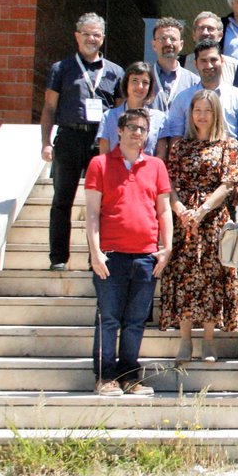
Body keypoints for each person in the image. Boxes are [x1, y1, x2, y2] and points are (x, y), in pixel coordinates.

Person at [83, 108, 172, 396]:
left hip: (146, 256)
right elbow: (92, 213)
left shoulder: (157, 166)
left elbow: (164, 210)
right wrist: (95, 252)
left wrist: (166, 248)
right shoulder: (100, 164)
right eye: (131, 127)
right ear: (119, 130)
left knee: (135, 321)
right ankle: (105, 377)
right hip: (110, 255)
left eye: (142, 129)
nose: (137, 133)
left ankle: (129, 376)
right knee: (109, 318)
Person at [160, 90, 238, 365]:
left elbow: (228, 183)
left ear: (215, 113)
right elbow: (168, 183)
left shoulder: (227, 145)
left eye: (207, 110)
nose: (201, 116)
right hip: (184, 220)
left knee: (211, 278)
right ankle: (185, 340)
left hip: (213, 219)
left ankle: (208, 340)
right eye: (197, 110)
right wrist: (181, 210)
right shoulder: (180, 146)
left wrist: (203, 209)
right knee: (184, 275)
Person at [41, 12, 125, 271]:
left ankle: (96, 257)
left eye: (96, 35)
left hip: (99, 141)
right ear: (77, 36)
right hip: (68, 137)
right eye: (86, 34)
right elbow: (49, 108)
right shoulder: (61, 68)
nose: (91, 38)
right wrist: (45, 142)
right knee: (62, 199)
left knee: (101, 202)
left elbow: (120, 113)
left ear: (103, 38)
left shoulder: (115, 72)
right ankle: (58, 258)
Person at [159, 40, 238, 156]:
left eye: (213, 60)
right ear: (196, 64)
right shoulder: (183, 98)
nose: (209, 65)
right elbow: (175, 138)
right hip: (190, 165)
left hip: (230, 164)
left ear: (222, 60)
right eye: (203, 61)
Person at [96, 62, 167, 156]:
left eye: (145, 82)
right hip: (114, 170)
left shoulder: (159, 118)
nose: (140, 86)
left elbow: (161, 155)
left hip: (147, 169)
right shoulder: (109, 116)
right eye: (135, 80)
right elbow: (103, 155)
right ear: (126, 84)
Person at [148, 17, 199, 113]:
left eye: (173, 39)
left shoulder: (194, 82)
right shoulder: (143, 78)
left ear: (181, 45)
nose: (168, 43)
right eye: (162, 38)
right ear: (154, 45)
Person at [183, 11, 237, 86]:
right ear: (194, 35)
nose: (205, 33)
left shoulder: (233, 65)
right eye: (201, 28)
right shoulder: (183, 64)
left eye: (210, 28)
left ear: (220, 35)